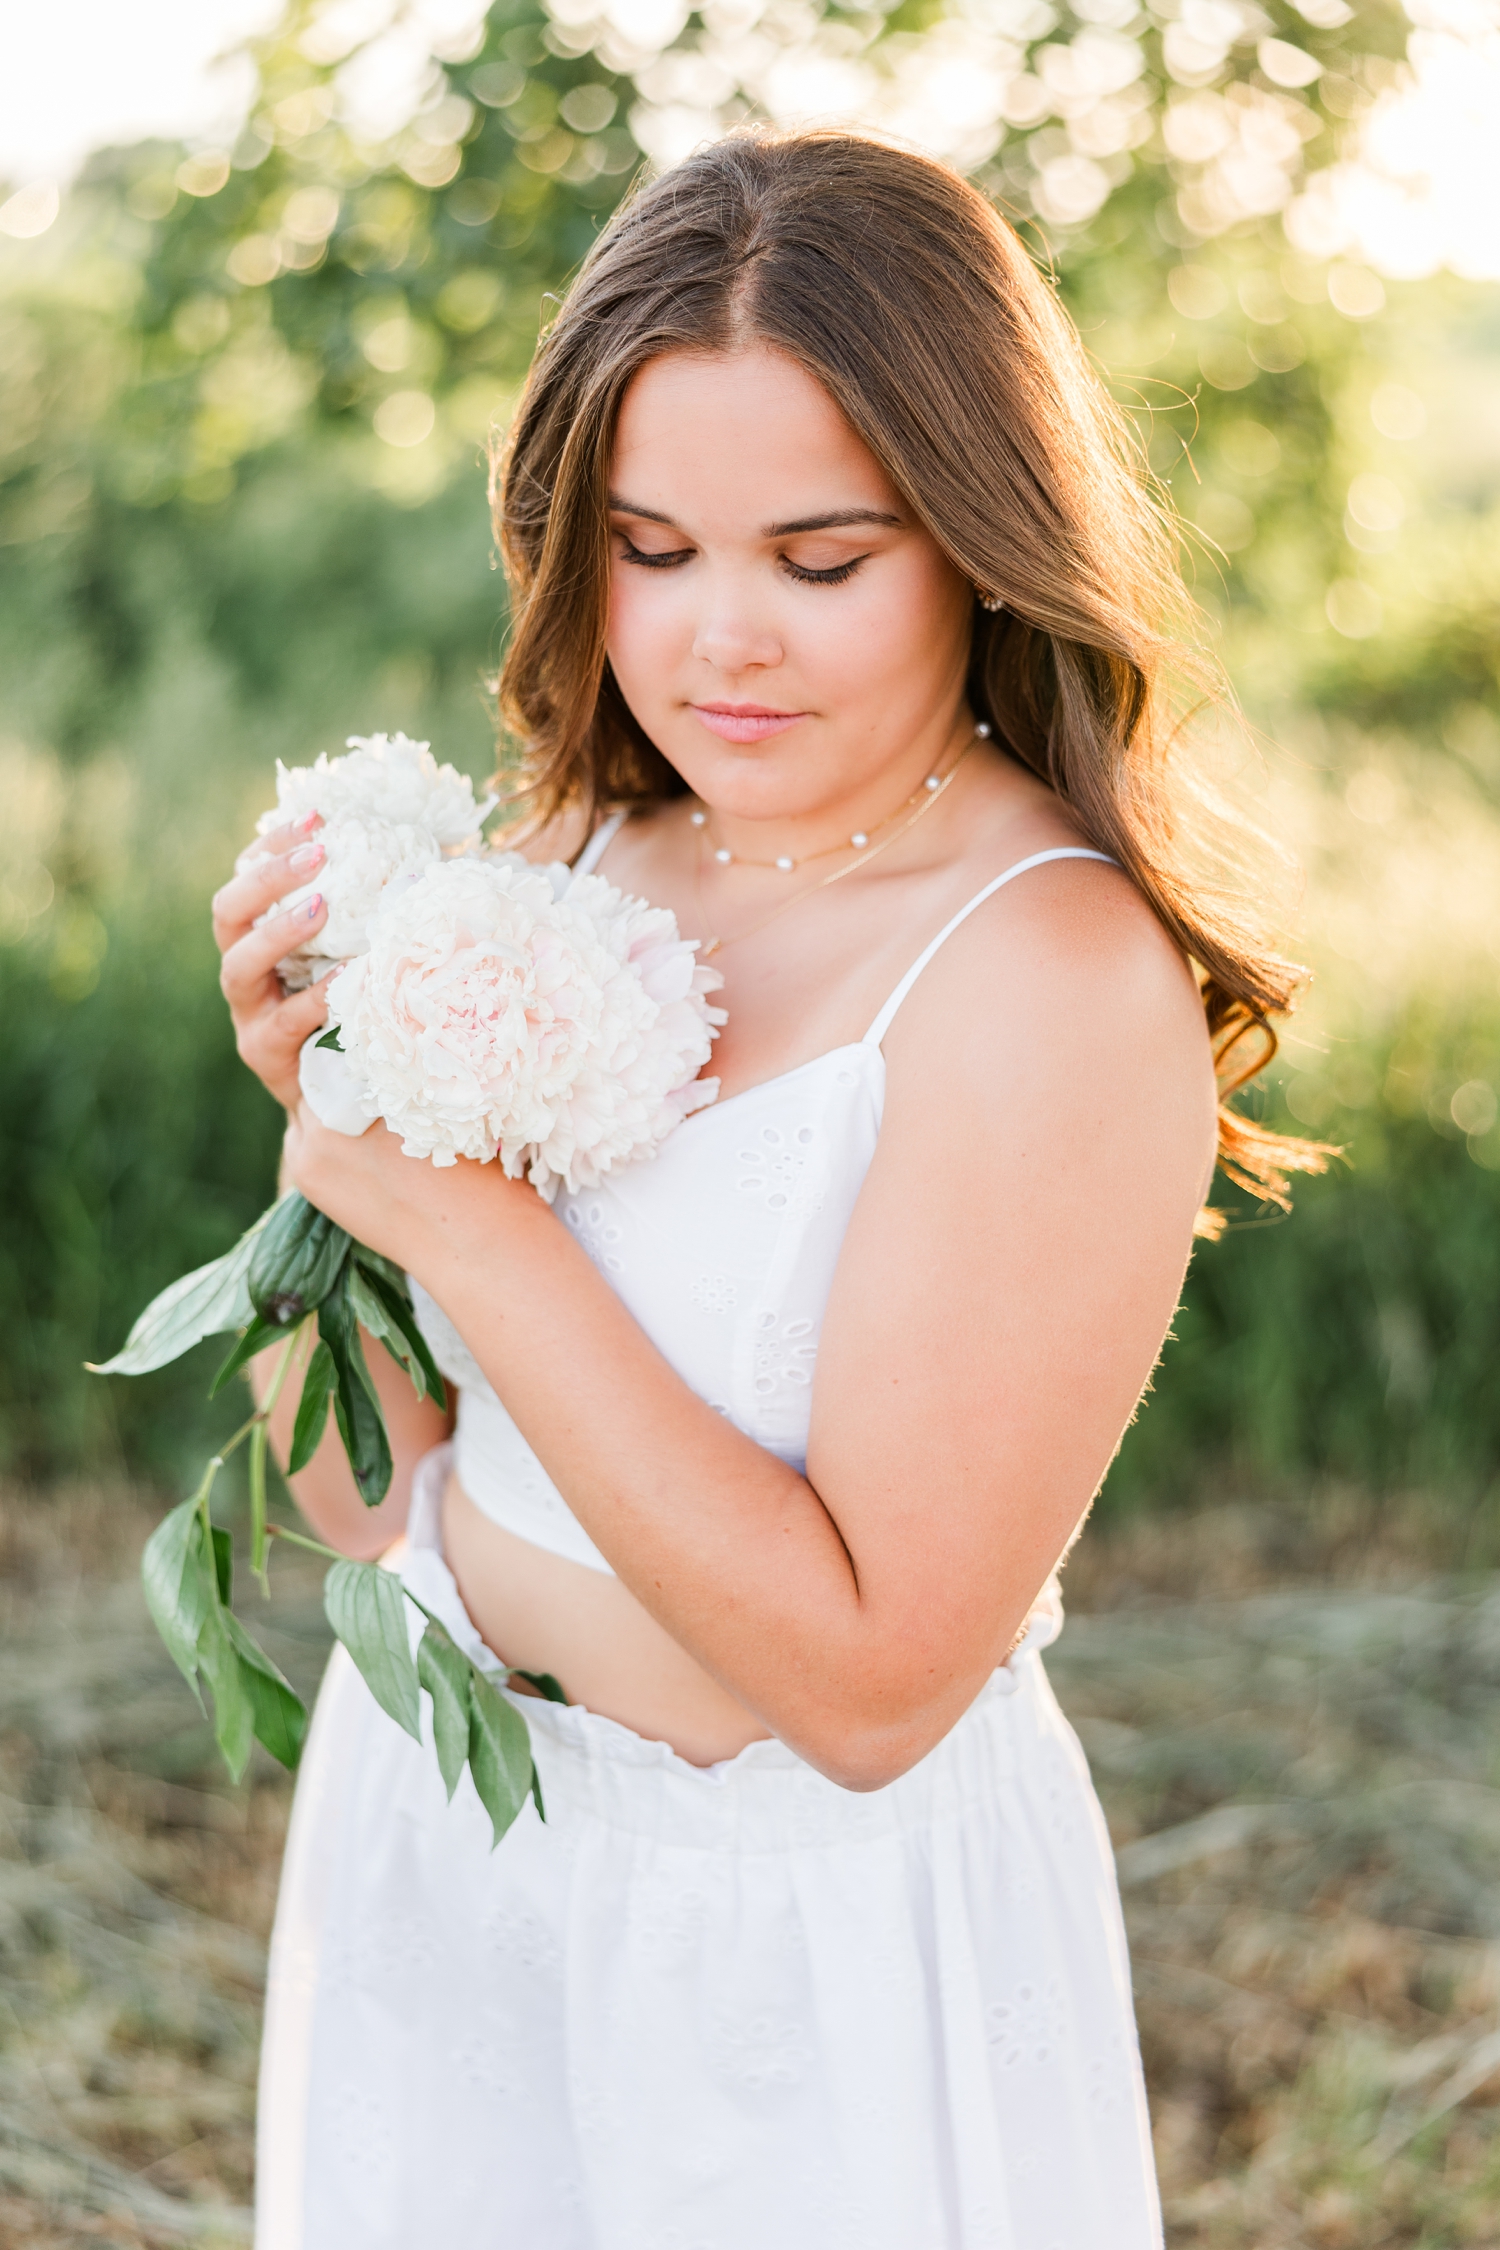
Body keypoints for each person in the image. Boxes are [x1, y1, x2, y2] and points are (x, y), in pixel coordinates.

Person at [215, 128, 1315, 2249]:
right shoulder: (576, 856)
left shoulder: (1051, 977)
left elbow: (872, 1686)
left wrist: (471, 1222)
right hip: (453, 1851)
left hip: (790, 1968)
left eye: (823, 561)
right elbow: (377, 1508)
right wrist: (317, 1145)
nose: (725, 642)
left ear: (983, 540)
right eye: (650, 549)